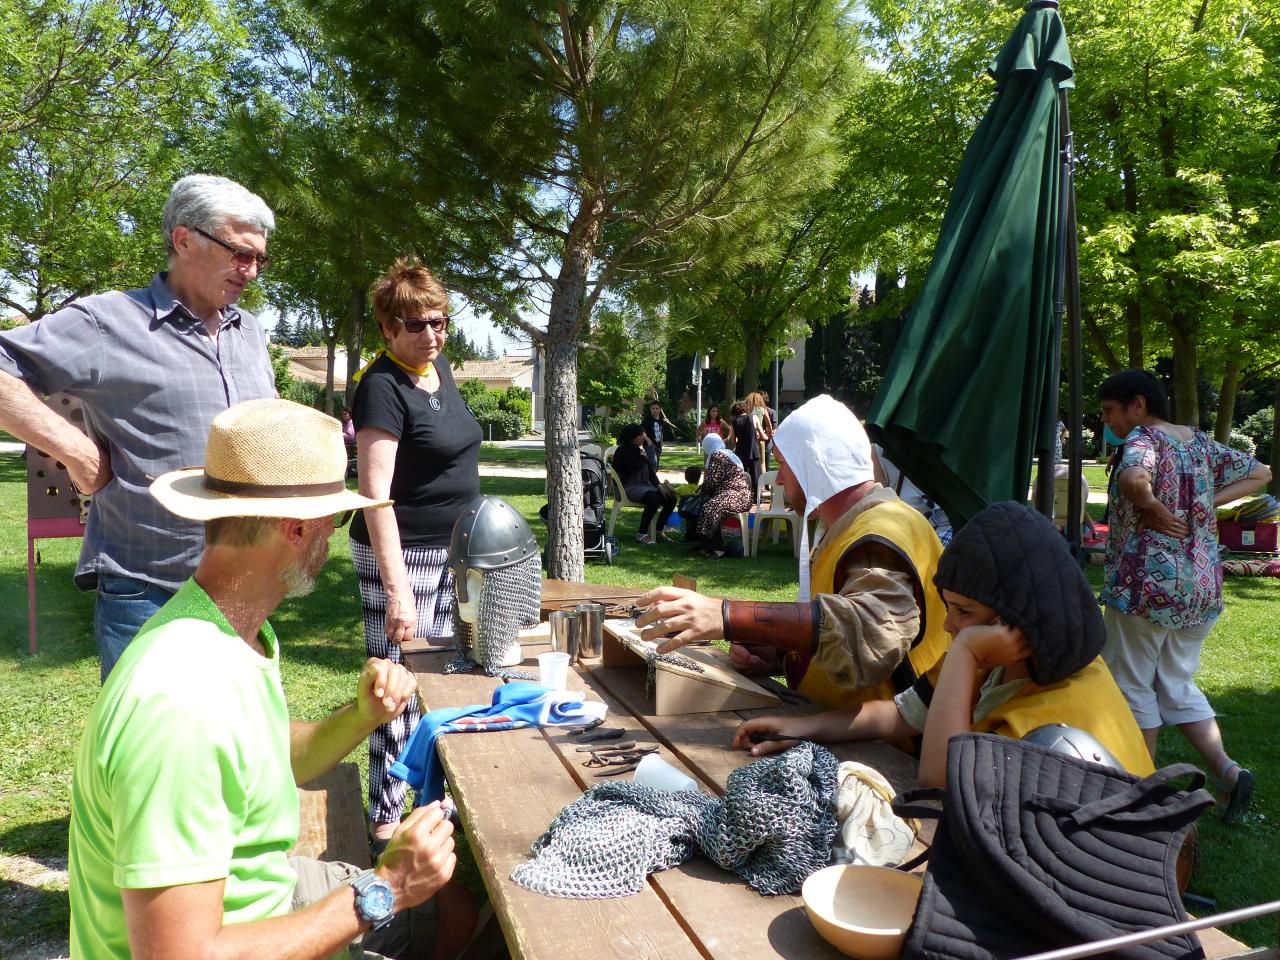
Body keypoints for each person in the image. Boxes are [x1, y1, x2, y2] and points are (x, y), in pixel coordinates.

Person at [68, 398, 475, 960]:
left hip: (265, 898)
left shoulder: (226, 631)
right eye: (333, 520)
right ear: (296, 529)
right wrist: (384, 889)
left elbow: (265, 760)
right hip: (221, 941)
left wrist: (362, 716)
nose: (332, 538)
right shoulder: (183, 703)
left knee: (459, 906)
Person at [0, 174, 277, 679]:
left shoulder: (250, 332)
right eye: (240, 253)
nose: (251, 271)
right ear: (184, 238)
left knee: (227, 749)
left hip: (243, 589)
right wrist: (77, 452)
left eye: (260, 258)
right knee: (146, 754)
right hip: (148, 591)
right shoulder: (109, 321)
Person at [732, 501, 1155, 784]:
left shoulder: (1048, 720)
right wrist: (804, 728)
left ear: (1018, 622)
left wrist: (965, 657)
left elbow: (937, 777)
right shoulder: (1004, 662)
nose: (950, 626)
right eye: (949, 609)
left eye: (964, 612)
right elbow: (904, 713)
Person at [635, 394, 950, 710]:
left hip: (889, 752)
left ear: (815, 466)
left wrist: (727, 615)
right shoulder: (851, 524)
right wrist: (779, 654)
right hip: (840, 727)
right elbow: (834, 627)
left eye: (785, 465)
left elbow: (869, 636)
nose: (781, 479)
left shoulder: (882, 529)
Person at [349, 258, 483, 853]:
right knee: (396, 685)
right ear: (387, 327)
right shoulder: (382, 386)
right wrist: (398, 590)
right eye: (415, 324)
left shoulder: (435, 368)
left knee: (445, 678)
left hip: (452, 552)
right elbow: (375, 498)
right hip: (404, 557)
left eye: (440, 321)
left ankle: (434, 797)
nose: (430, 333)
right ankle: (384, 815)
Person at [1098, 370, 1270, 821]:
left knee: (1132, 683)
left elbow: (1136, 479)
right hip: (1202, 585)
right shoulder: (1197, 441)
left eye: (1110, 411)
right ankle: (1229, 772)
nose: (1108, 421)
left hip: (1149, 587)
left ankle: (1138, 788)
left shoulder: (1145, 437)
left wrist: (1152, 505)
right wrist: (1203, 503)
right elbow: (1260, 473)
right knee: (1175, 684)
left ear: (1138, 404)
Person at [613, 423, 676, 544]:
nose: (643, 437)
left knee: (671, 498)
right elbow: (634, 465)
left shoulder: (638, 450)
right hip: (627, 487)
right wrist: (644, 457)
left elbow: (651, 473)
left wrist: (659, 486)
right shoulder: (623, 451)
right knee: (654, 498)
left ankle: (658, 530)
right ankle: (641, 534)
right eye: (640, 435)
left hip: (643, 486)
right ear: (632, 437)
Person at [692, 447, 754, 558]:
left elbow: (712, 481)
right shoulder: (729, 455)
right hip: (740, 497)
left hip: (735, 496)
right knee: (709, 506)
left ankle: (717, 548)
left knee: (712, 507)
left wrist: (702, 490)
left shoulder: (718, 457)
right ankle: (705, 545)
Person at [731, 399, 761, 501]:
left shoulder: (734, 421)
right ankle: (756, 497)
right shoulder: (753, 417)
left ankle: (743, 496)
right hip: (753, 450)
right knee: (755, 475)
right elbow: (761, 433)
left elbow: (733, 439)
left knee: (742, 475)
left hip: (740, 451)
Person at [641, 399, 678, 469]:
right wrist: (648, 440)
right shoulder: (647, 419)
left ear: (660, 409)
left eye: (657, 408)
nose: (655, 410)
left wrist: (661, 442)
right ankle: (651, 478)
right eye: (653, 408)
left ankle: (652, 477)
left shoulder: (661, 420)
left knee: (656, 465)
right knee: (653, 462)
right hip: (649, 445)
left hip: (658, 446)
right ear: (650, 409)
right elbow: (641, 431)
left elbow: (661, 431)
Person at [746, 391, 773, 470]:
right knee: (762, 463)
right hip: (759, 438)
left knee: (748, 462)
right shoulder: (763, 409)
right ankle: (763, 481)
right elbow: (769, 425)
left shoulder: (746, 409)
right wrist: (768, 435)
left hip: (748, 439)